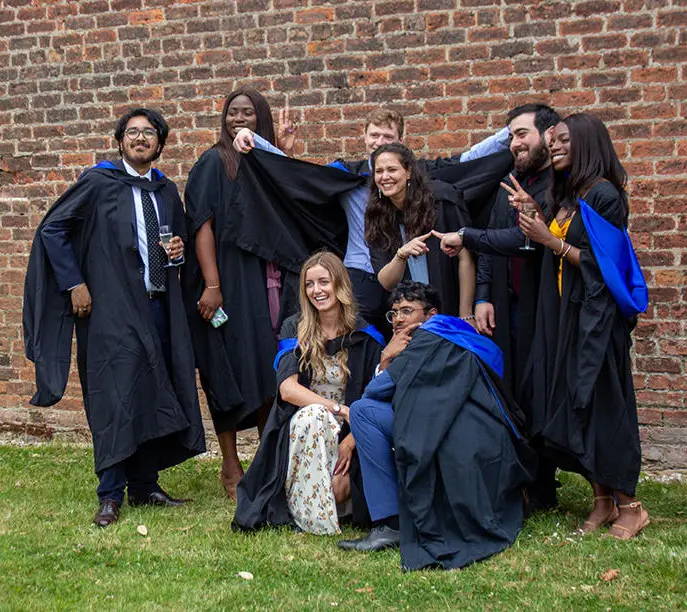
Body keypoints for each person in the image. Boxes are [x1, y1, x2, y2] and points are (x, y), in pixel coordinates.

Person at [24, 108, 205, 528]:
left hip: (157, 304)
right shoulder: (98, 183)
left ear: (160, 144)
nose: (140, 139)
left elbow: (177, 246)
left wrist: (176, 253)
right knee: (113, 394)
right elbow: (53, 229)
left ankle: (144, 485)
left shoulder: (165, 192)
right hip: (109, 309)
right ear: (120, 140)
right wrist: (73, 284)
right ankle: (110, 493)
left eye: (149, 133)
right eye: (132, 132)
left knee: (151, 389)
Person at [233, 107, 510, 329]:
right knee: (356, 333)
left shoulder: (416, 175)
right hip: (362, 271)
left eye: (387, 137)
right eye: (374, 135)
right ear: (364, 137)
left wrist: (511, 132)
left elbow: (467, 160)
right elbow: (301, 178)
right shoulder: (346, 177)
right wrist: (254, 140)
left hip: (407, 273)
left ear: (400, 141)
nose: (379, 142)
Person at [514, 113, 648, 540]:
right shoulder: (571, 196)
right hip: (568, 315)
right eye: (551, 141)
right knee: (577, 405)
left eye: (563, 141)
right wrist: (538, 217)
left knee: (604, 407)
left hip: (597, 321)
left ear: (587, 143)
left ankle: (632, 507)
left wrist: (550, 240)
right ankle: (602, 502)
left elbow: (604, 267)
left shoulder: (605, 196)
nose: (553, 147)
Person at [336, 282, 533, 570]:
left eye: (407, 311)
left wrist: (386, 358)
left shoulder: (428, 338)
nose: (399, 319)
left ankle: (389, 525)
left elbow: (375, 393)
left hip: (449, 435)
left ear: (431, 315)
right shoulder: (466, 337)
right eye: (393, 313)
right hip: (487, 440)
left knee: (363, 411)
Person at [438, 103, 562, 510]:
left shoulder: (556, 186)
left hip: (542, 303)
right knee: (508, 389)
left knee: (536, 388)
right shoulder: (510, 179)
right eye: (510, 135)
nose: (515, 142)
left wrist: (466, 236)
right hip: (505, 305)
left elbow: (522, 242)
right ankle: (517, 479)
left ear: (547, 135)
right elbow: (495, 235)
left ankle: (543, 485)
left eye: (522, 133)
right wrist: (484, 294)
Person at [182, 88, 301, 499]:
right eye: (232, 113)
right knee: (228, 370)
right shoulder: (214, 162)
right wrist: (212, 286)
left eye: (248, 113)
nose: (238, 119)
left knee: (269, 369)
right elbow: (202, 225)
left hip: (270, 280)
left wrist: (282, 153)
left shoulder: (264, 160)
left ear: (261, 119)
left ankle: (265, 460)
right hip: (229, 280)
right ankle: (230, 465)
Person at [233, 252, 385, 535]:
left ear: (340, 284)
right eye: (309, 284)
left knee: (344, 488)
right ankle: (315, 519)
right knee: (315, 416)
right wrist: (337, 409)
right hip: (304, 428)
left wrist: (349, 444)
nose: (316, 291)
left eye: (323, 282)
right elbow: (288, 389)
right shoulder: (296, 327)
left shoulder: (365, 336)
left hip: (351, 432)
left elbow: (373, 401)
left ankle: (319, 506)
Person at [364, 142, 475, 320]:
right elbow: (386, 282)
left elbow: (465, 258)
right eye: (379, 171)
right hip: (407, 315)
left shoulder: (441, 200)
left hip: (449, 304)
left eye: (392, 169)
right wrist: (401, 256)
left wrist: (466, 315)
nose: (385, 177)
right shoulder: (377, 215)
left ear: (408, 172)